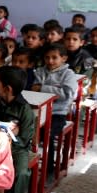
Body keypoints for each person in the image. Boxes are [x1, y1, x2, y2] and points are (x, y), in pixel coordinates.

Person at [0, 67, 35, 193]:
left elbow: (26, 139)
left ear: (7, 89)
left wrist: (15, 134)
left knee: (20, 173)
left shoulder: (24, 109)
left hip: (17, 149)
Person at [31, 44, 76, 177]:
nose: (50, 61)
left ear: (64, 58)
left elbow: (66, 94)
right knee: (28, 132)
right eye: (47, 58)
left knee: (47, 135)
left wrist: (43, 88)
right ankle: (30, 163)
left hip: (57, 114)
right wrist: (46, 89)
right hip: (39, 112)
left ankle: (48, 167)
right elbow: (34, 88)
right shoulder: (39, 71)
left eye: (54, 58)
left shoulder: (68, 74)